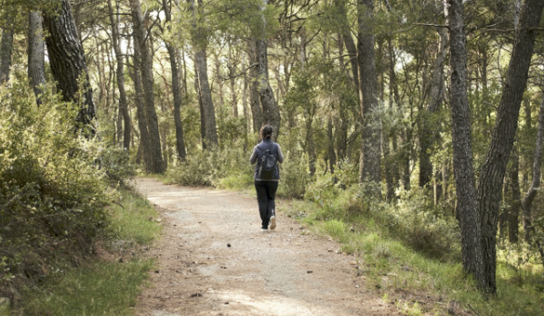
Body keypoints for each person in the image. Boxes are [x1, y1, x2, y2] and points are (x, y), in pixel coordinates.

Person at [249, 125, 284, 231]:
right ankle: (272, 214)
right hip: (273, 178)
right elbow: (281, 160)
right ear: (271, 134)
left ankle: (264, 225)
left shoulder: (258, 147)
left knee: (262, 201)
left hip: (260, 178)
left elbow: (251, 161)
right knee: (271, 198)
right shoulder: (276, 146)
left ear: (262, 134)